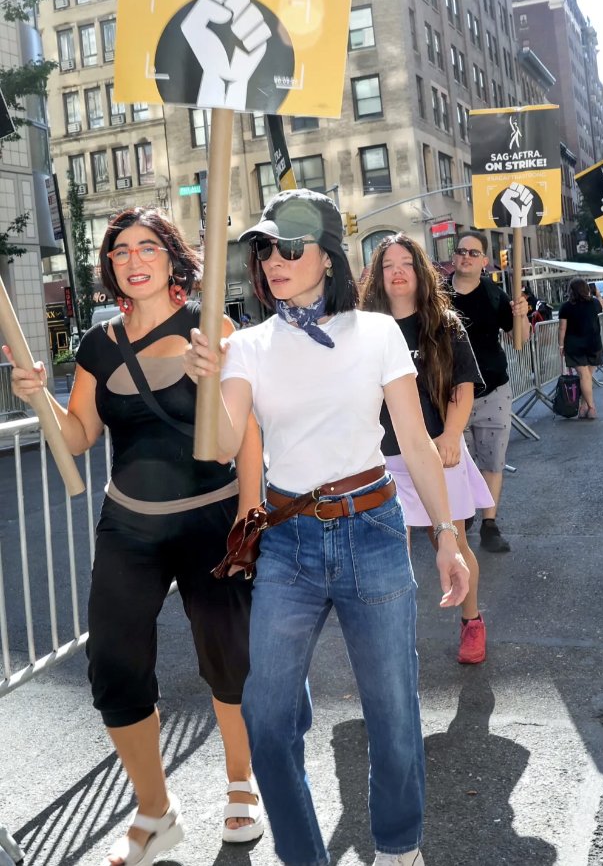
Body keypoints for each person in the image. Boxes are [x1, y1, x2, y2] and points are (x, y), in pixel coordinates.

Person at [185, 188, 469, 866]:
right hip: (288, 542)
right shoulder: (248, 345)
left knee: (393, 712)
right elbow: (221, 446)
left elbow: (415, 442)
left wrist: (447, 536)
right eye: (265, 249)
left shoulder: (376, 333)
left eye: (290, 246)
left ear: (329, 256)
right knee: (266, 719)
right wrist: (208, 380)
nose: (274, 261)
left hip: (372, 528)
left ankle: (398, 846)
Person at [3, 207, 264, 866]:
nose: (133, 259)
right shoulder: (97, 345)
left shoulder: (213, 327)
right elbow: (78, 437)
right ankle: (154, 811)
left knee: (229, 658)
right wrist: (39, 398)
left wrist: (250, 512)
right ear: (110, 269)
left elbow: (244, 434)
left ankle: (242, 781)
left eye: (147, 247)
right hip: (129, 526)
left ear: (173, 259)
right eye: (120, 252)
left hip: (211, 519)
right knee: (114, 667)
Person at [361, 234, 493, 664]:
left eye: (405, 263)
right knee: (390, 556)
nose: (397, 271)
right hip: (383, 459)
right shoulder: (365, 330)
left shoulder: (444, 323)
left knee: (452, 544)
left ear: (420, 271)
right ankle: (394, 639)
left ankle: (471, 622)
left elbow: (463, 388)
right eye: (387, 265)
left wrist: (452, 436)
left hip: (438, 452)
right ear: (377, 276)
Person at [447, 231, 531, 554]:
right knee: (457, 461)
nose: (466, 257)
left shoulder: (495, 295)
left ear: (484, 261)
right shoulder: (437, 296)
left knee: (493, 460)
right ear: (454, 257)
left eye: (473, 253)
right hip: (450, 394)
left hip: (493, 389)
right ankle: (463, 511)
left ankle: (489, 524)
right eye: (461, 251)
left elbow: (519, 339)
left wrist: (521, 316)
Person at [558, 277, 603, 419]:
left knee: (584, 377)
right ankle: (585, 407)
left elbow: (562, 328)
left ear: (570, 291)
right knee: (587, 376)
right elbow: (601, 304)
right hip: (594, 345)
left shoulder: (566, 307)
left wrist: (561, 345)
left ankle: (590, 407)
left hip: (575, 346)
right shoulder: (594, 303)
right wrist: (597, 293)